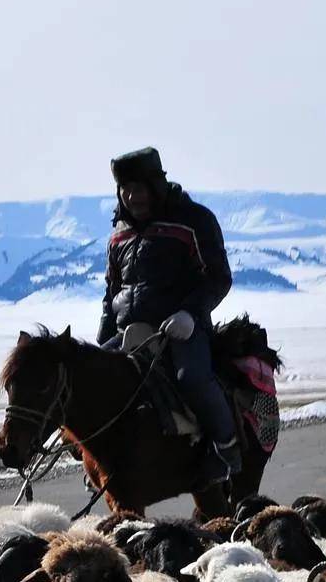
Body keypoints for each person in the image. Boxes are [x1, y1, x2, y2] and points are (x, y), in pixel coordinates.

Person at [99, 147, 240, 482]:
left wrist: (190, 314)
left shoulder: (194, 220)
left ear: (156, 185)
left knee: (190, 377)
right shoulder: (119, 234)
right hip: (128, 331)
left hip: (180, 329)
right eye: (126, 189)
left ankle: (226, 449)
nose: (133, 196)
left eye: (140, 187)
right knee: (85, 378)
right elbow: (111, 295)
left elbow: (218, 277)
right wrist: (102, 342)